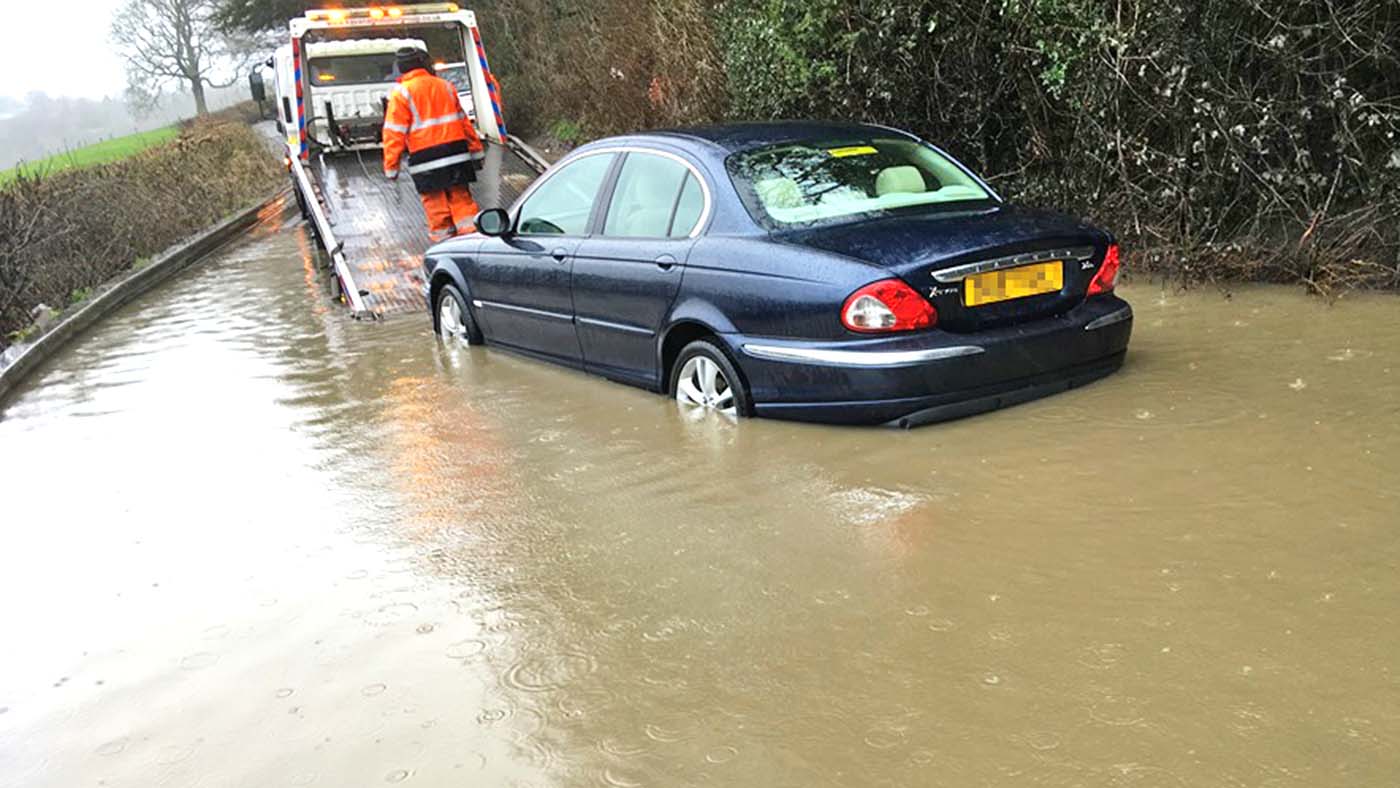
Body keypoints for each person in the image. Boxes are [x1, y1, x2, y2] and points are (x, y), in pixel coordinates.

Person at [382, 47, 487, 243]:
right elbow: (464, 122)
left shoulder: (401, 94)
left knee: (436, 206)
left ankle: (445, 246)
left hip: (425, 159)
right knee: (461, 199)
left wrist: (391, 167)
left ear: (402, 68)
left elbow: (394, 134)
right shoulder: (445, 86)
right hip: (456, 153)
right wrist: (476, 151)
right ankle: (473, 241)